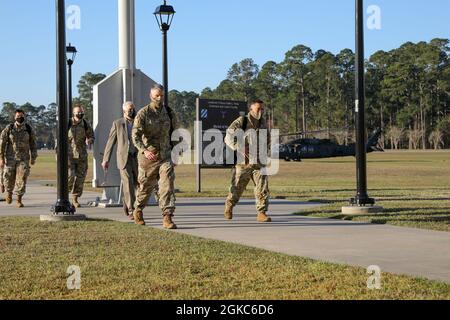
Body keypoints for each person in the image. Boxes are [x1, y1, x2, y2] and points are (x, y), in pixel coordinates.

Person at [132, 84, 179, 229]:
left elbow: (176, 134)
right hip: (149, 158)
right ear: (151, 96)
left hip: (165, 156)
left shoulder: (170, 113)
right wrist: (144, 150)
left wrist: (176, 153)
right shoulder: (143, 113)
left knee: (167, 185)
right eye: (156, 96)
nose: (159, 98)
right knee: (146, 188)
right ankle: (138, 210)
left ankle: (167, 217)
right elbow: (135, 136)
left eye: (161, 95)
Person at [224, 100, 272, 222]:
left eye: (262, 109)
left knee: (262, 187)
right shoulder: (242, 121)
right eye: (258, 109)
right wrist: (238, 147)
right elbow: (228, 136)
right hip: (244, 162)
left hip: (259, 162)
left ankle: (261, 213)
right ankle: (229, 206)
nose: (260, 111)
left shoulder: (263, 123)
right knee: (237, 188)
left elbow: (268, 139)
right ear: (251, 109)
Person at [102, 101, 139, 219]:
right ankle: (132, 209)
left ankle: (126, 201)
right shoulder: (118, 124)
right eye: (129, 110)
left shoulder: (139, 122)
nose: (132, 111)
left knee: (138, 184)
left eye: (133, 109)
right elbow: (110, 142)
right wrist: (105, 159)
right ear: (124, 111)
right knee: (128, 182)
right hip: (124, 158)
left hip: (137, 157)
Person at [0, 110, 38, 208]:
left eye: (21, 116)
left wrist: (33, 157)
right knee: (8, 177)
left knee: (22, 179)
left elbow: (33, 143)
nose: (19, 118)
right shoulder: (9, 128)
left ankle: (19, 200)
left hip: (23, 159)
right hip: (10, 158)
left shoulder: (28, 129)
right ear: (14, 117)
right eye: (17, 116)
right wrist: (1, 158)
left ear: (24, 117)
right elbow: (2, 143)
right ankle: (9, 192)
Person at [68, 105, 94, 208]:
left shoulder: (85, 124)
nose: (80, 114)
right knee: (70, 176)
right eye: (78, 112)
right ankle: (65, 197)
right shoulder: (68, 123)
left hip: (81, 155)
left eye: (81, 112)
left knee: (80, 178)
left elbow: (91, 135)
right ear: (73, 113)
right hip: (69, 155)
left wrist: (90, 140)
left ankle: (75, 199)